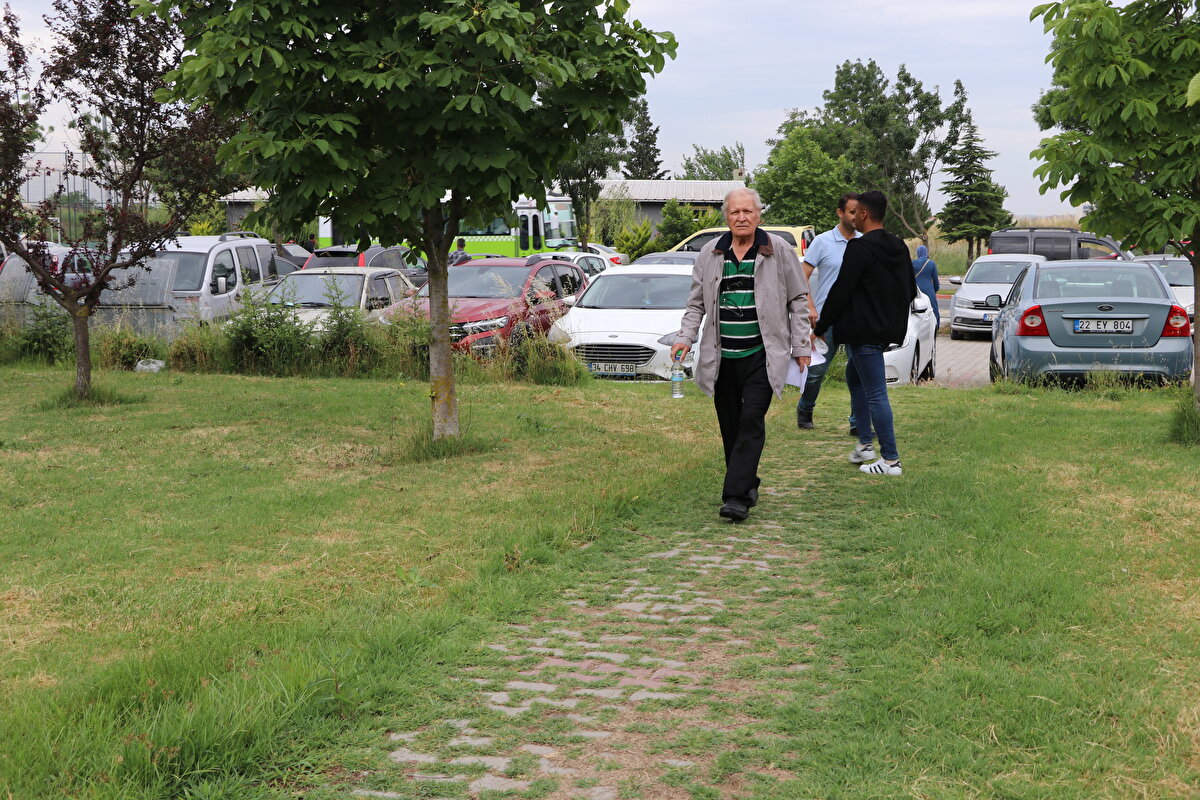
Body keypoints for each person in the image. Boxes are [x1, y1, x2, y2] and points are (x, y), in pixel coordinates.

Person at [672, 188, 812, 521]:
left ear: (759, 214)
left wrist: (801, 345)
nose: (742, 218)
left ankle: (735, 497)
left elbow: (798, 300)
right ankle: (747, 481)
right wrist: (685, 337)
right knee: (731, 425)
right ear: (726, 216)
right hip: (721, 359)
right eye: (735, 212)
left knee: (751, 421)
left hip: (763, 355)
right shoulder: (710, 253)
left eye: (748, 211)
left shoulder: (777, 250)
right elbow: (696, 303)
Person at [813, 190, 916, 476]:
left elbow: (840, 292)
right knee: (853, 377)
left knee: (876, 393)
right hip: (885, 329)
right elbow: (909, 290)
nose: (853, 217)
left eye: (856, 212)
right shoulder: (898, 246)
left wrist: (820, 328)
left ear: (864, 214)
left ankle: (891, 460)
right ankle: (865, 444)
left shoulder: (859, 248)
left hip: (863, 332)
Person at [795, 193, 860, 432]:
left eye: (860, 212)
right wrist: (810, 307)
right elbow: (802, 277)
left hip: (856, 320)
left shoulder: (864, 241)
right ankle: (805, 408)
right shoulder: (822, 242)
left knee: (859, 372)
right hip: (826, 320)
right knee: (817, 371)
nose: (856, 217)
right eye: (852, 211)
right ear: (840, 213)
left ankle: (857, 421)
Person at [912, 244, 940, 327]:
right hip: (928, 289)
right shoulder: (931, 263)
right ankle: (936, 325)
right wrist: (934, 290)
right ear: (926, 253)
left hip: (916, 289)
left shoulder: (912, 263)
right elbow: (935, 280)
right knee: (933, 308)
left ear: (918, 253)